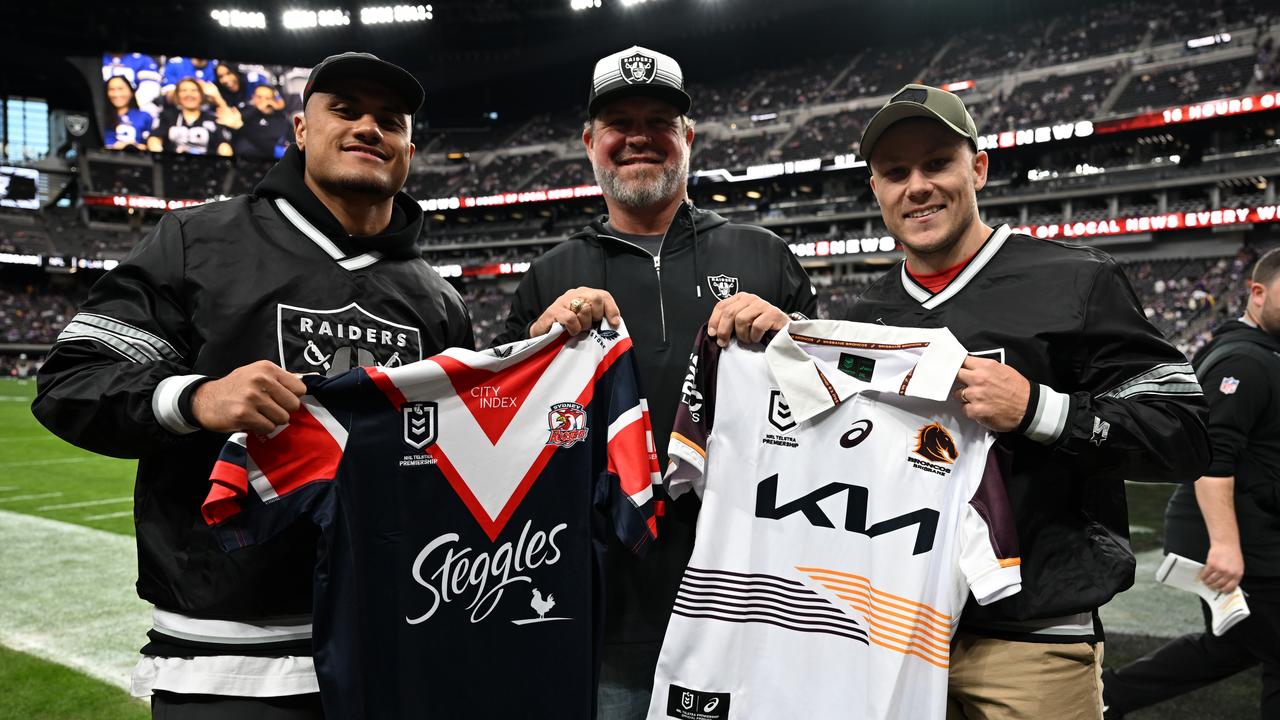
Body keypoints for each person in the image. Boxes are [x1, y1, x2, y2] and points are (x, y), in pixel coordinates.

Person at [33, 51, 472, 719]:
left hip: (394, 642)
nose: (368, 129)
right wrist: (194, 398)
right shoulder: (195, 239)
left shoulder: (439, 300)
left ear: (411, 148)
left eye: (390, 120)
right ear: (300, 128)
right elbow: (71, 381)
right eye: (346, 111)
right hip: (228, 661)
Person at [843, 83, 1210, 720]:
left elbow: (1185, 429)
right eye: (895, 172)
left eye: (937, 163)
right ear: (875, 189)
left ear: (977, 168)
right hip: (888, 637)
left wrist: (1044, 410)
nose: (918, 186)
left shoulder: (1075, 279)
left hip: (1032, 637)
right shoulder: (864, 314)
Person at [493, 45, 817, 719]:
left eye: (658, 120)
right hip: (604, 610)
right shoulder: (550, 276)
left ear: (688, 138)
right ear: (590, 143)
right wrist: (532, 350)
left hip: (750, 605)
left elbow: (831, 419)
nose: (639, 136)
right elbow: (501, 445)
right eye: (618, 122)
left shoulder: (763, 255)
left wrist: (792, 338)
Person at [1102, 247, 1280, 719]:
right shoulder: (1242, 359)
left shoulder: (1263, 353)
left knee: (1232, 647)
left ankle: (1105, 697)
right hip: (1240, 536)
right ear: (1257, 292)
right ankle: (1103, 696)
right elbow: (1213, 458)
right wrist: (1224, 545)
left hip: (1257, 528)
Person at [147, 77, 234, 156]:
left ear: (201, 95)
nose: (189, 94)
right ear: (177, 96)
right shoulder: (167, 116)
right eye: (183, 90)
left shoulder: (213, 119)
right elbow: (154, 139)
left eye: (194, 90)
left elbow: (224, 145)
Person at [233, 84, 292, 161]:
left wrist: (278, 110)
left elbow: (283, 142)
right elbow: (238, 123)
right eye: (259, 97)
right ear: (253, 97)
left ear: (273, 101)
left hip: (272, 161)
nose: (263, 101)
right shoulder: (245, 111)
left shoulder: (280, 118)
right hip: (247, 158)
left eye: (268, 98)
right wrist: (257, 109)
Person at [102, 75, 153, 151]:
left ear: (131, 92)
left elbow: (150, 146)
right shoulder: (100, 116)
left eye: (121, 89)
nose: (116, 94)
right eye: (112, 89)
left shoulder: (145, 117)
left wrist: (132, 146)